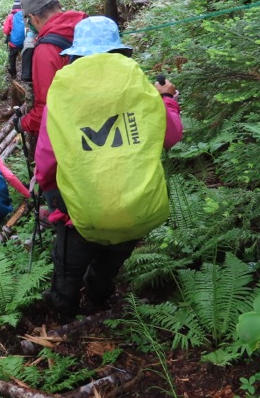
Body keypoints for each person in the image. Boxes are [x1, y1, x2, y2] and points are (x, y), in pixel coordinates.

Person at [34, 16, 183, 321]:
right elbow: (170, 136)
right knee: (110, 261)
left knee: (68, 267)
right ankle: (99, 300)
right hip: (135, 207)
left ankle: (65, 317)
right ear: (121, 54)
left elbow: (47, 158)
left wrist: (51, 196)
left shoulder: (62, 98)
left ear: (75, 56)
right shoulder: (141, 91)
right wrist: (166, 100)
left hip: (80, 211)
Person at [15, 0, 87, 137]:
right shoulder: (88, 26)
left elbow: (48, 109)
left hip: (79, 129)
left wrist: (24, 123)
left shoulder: (46, 50)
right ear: (58, 5)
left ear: (34, 18)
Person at [2, 0, 24, 79]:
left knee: (12, 56)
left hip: (14, 43)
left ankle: (13, 73)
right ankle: (26, 74)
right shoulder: (26, 15)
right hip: (26, 42)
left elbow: (6, 30)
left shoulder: (11, 16)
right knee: (25, 56)